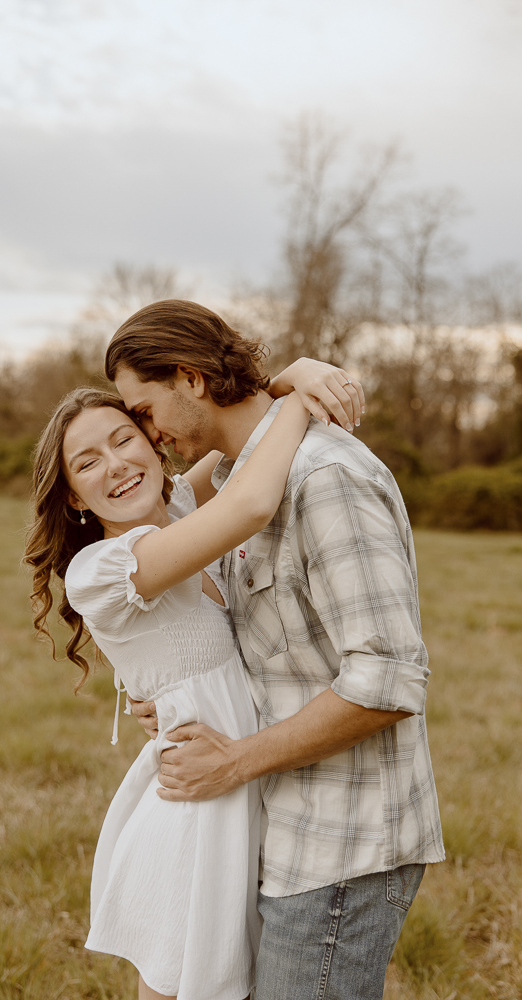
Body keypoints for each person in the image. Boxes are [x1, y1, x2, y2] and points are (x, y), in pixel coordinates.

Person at [104, 299, 445, 1000]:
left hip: (340, 842)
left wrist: (232, 762)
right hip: (275, 826)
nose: (145, 435)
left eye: (142, 410)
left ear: (189, 378)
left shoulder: (324, 478)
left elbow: (387, 678)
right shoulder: (236, 482)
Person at [23, 359, 358, 1000]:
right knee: (185, 982)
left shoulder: (175, 509)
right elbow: (253, 501)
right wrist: (296, 400)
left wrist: (291, 374)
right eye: (87, 463)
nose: (115, 465)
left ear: (153, 441)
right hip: (196, 805)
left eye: (123, 439)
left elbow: (242, 443)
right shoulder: (101, 568)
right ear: (71, 494)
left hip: (244, 775)